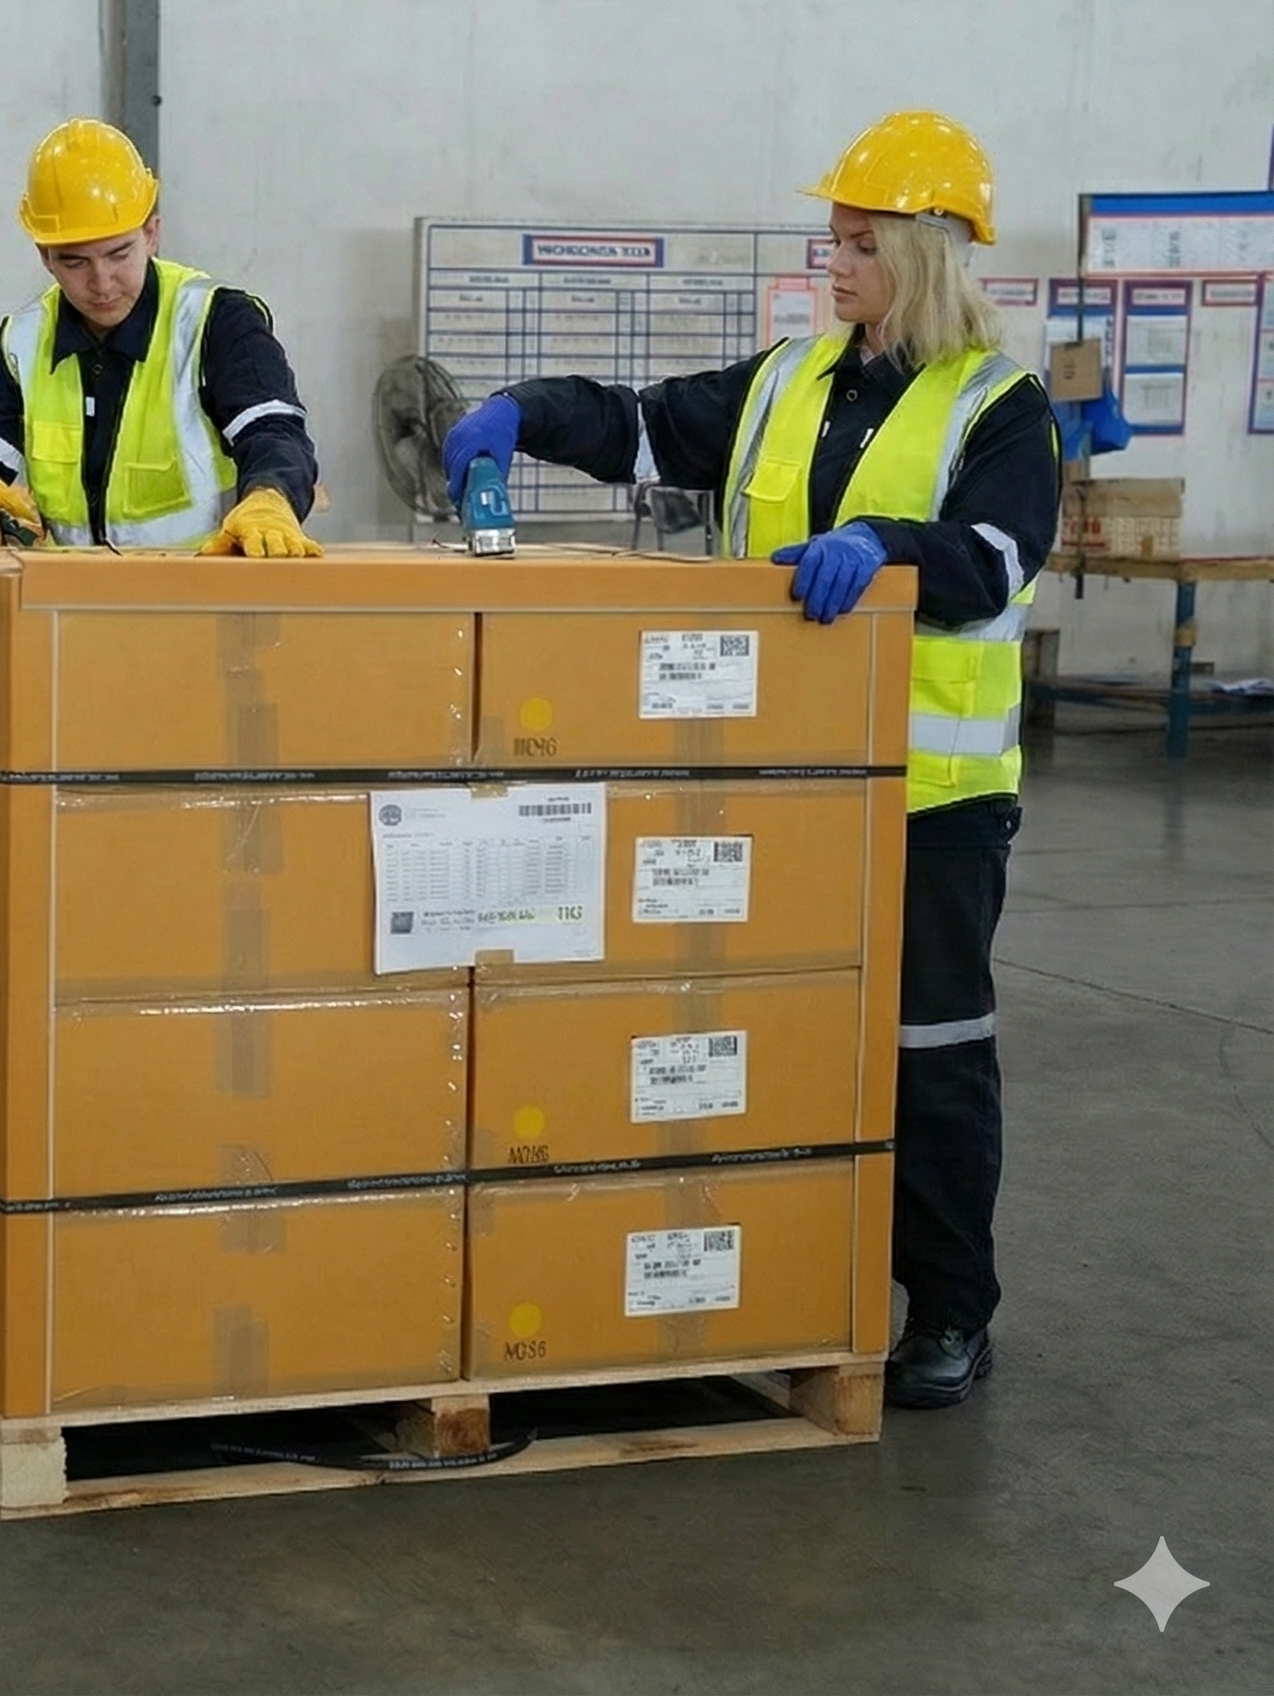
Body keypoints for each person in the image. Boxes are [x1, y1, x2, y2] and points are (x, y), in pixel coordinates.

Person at [441, 111, 1056, 1411]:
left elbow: (998, 559)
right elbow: (641, 426)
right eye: (831, 240)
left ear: (921, 253)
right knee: (762, 1034)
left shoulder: (999, 410)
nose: (834, 263)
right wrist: (521, 412)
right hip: (774, 796)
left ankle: (951, 1308)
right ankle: (781, 1283)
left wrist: (885, 544)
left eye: (858, 244)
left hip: (930, 806)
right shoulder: (789, 382)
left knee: (927, 1052)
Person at [0, 116, 325, 557]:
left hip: (202, 590)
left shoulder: (215, 322)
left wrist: (269, 500)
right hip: (67, 595)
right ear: (45, 256)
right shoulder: (24, 342)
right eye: (75, 262)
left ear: (151, 233)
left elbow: (274, 435)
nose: (102, 282)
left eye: (118, 254)